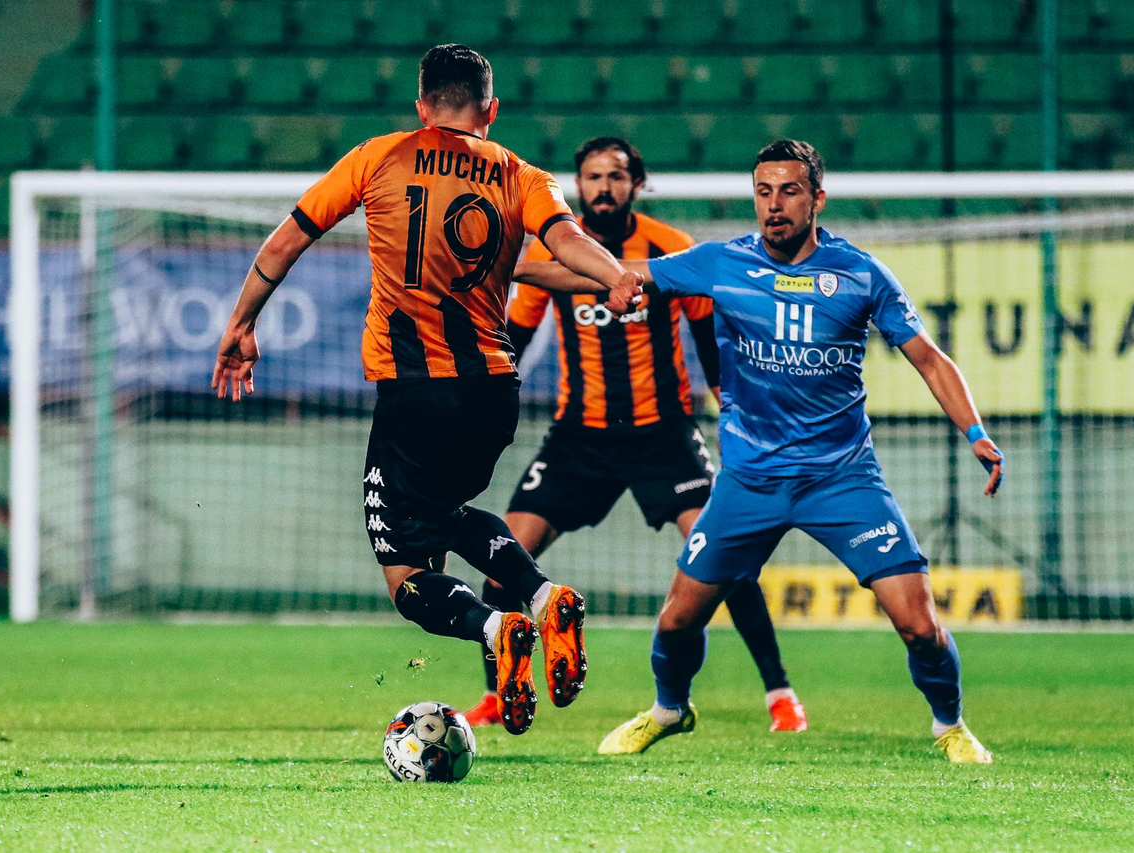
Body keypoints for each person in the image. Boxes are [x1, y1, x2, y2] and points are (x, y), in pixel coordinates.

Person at [515, 139, 1005, 763]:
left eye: (789, 191)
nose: (774, 205)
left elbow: (930, 360)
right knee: (676, 621)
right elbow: (613, 273)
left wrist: (975, 433)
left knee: (919, 625)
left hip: (842, 479)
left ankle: (950, 725)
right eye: (764, 191)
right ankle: (669, 710)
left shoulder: (860, 274)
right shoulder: (721, 262)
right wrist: (508, 267)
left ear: (817, 198)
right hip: (749, 482)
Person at [211, 44, 643, 736]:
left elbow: (285, 242)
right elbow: (565, 241)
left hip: (414, 391)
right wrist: (616, 275)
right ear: (490, 110)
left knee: (406, 573)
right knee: (448, 511)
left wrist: (241, 324)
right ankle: (541, 595)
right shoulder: (521, 174)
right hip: (494, 391)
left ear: (421, 107)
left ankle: (496, 626)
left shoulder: (377, 157)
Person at [464, 137, 807, 733]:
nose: (604, 187)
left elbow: (710, 346)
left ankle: (780, 695)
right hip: (579, 437)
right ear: (578, 185)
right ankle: (497, 696)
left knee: (725, 559)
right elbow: (514, 342)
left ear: (636, 184)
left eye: (616, 176)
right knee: (500, 564)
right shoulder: (555, 252)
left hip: (662, 435)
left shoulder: (668, 247)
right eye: (593, 177)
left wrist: (736, 417)